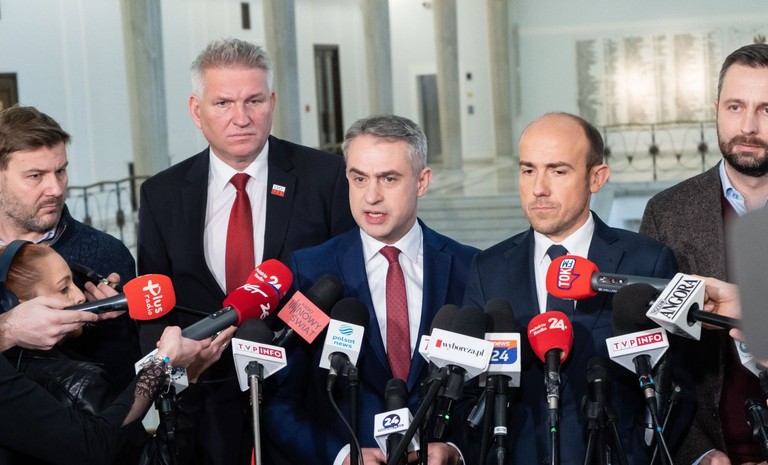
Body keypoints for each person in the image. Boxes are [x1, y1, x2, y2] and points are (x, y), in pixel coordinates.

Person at [137, 38, 356, 465]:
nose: (241, 118)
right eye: (223, 103)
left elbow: (348, 287)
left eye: (254, 100)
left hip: (305, 407)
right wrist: (175, 375)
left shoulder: (326, 177)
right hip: (204, 412)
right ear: (196, 110)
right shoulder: (161, 194)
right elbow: (153, 309)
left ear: (272, 102)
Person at [460, 112, 682, 464]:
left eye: (558, 171)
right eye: (528, 170)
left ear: (597, 178)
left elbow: (677, 383)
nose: (538, 188)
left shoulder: (646, 263)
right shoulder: (488, 268)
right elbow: (469, 387)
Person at [262, 114, 477, 465]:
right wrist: (342, 456)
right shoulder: (310, 272)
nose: (371, 196)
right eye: (359, 178)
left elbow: (486, 394)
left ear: (422, 182)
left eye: (389, 179)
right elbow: (280, 401)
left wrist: (455, 450)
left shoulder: (470, 268)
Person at [640, 43, 768, 465]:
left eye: (766, 109)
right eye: (735, 106)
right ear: (716, 110)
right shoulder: (667, 214)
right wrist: (698, 452)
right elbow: (653, 354)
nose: (748, 125)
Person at [0, 242, 235, 464]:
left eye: (73, 282)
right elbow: (156, 459)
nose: (80, 296)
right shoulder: (78, 384)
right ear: (15, 306)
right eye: (64, 289)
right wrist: (183, 373)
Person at [0, 105, 140, 392]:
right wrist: (8, 331)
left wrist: (94, 327)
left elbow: (125, 387)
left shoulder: (106, 254)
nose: (55, 189)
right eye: (35, 176)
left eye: (61, 171)